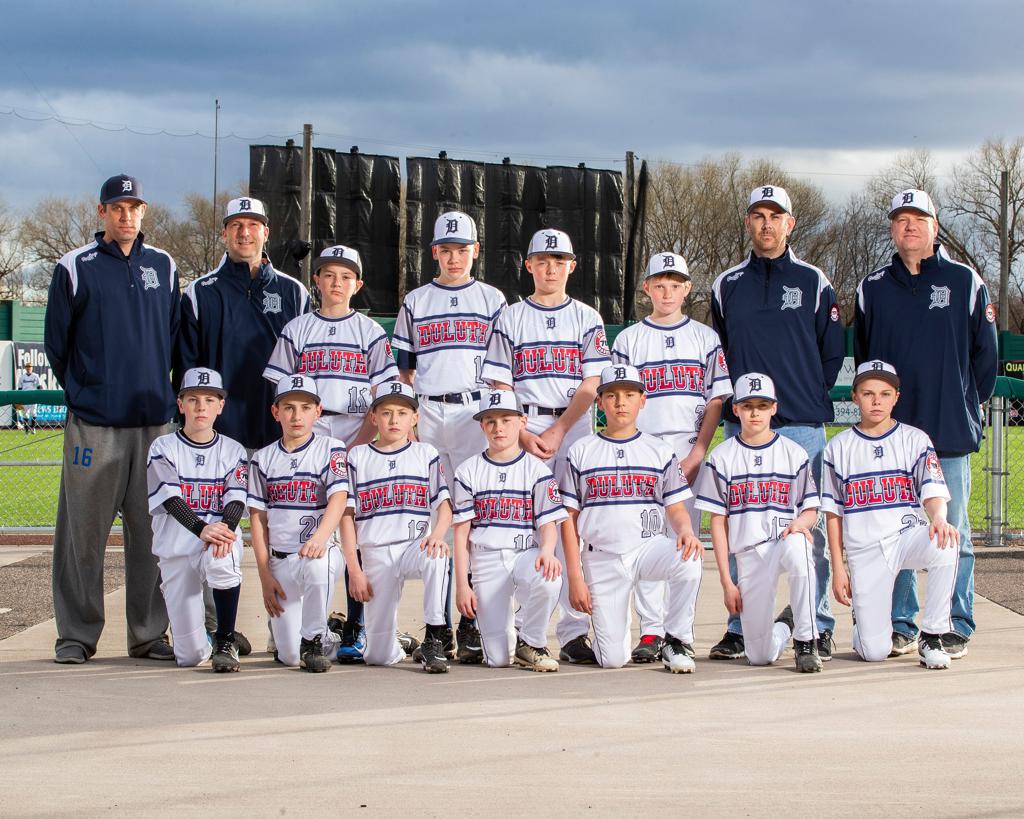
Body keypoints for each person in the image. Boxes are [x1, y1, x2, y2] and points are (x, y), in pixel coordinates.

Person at [854, 189, 998, 660]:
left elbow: (986, 358)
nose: (909, 226)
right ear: (892, 229)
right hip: (892, 437)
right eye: (900, 220)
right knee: (892, 530)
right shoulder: (872, 287)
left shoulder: (965, 281)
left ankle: (956, 621)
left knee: (951, 527)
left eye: (919, 218)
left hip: (948, 430)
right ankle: (902, 623)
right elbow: (867, 359)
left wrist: (963, 403)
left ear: (936, 226)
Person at [44, 173, 178, 664]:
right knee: (83, 534)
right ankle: (76, 634)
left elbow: (171, 336)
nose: (126, 216)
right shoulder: (74, 267)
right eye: (117, 208)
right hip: (95, 425)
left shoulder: (163, 265)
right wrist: (87, 392)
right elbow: (57, 347)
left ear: (143, 212)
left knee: (153, 536)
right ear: (101, 213)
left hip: (153, 425)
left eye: (134, 207)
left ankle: (147, 634)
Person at [709, 185, 845, 661]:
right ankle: (740, 626)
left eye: (775, 216)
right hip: (743, 428)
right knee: (744, 528)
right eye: (758, 215)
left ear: (790, 223)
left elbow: (832, 351)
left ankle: (818, 622)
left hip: (801, 425)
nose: (766, 224)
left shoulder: (812, 280)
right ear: (748, 222)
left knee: (810, 530)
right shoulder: (727, 284)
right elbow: (722, 352)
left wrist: (805, 393)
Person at [263, 244, 399, 661]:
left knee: (353, 524)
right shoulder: (298, 328)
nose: (336, 283)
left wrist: (361, 437)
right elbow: (281, 387)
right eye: (328, 275)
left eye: (345, 276)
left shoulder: (370, 331)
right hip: (309, 428)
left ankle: (356, 625)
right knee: (295, 520)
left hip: (355, 426)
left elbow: (384, 392)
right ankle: (295, 624)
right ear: (316, 281)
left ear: (357, 284)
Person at [481, 228, 611, 665]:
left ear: (572, 266)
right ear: (529, 265)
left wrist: (558, 429)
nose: (551, 267)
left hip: (571, 426)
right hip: (522, 420)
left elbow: (593, 384)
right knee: (524, 520)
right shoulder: (511, 317)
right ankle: (523, 626)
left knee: (575, 524)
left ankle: (573, 632)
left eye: (560, 260)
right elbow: (501, 383)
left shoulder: (588, 317)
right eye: (543, 259)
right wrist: (520, 431)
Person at [392, 211, 507, 664]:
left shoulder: (493, 298)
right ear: (434, 252)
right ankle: (437, 624)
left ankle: (472, 620)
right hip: (430, 409)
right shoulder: (416, 300)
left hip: (474, 410)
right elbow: (404, 366)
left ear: (475, 252)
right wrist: (411, 415)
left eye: (463, 249)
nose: (455, 257)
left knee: (474, 513)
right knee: (435, 514)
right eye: (447, 249)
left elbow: (502, 367)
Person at [612, 251, 731, 662]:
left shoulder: (705, 337)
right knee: (646, 536)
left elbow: (716, 399)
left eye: (675, 284)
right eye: (659, 284)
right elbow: (620, 400)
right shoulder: (629, 339)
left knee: (684, 542)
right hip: (643, 447)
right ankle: (650, 632)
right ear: (647, 288)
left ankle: (679, 631)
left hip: (687, 445)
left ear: (686, 288)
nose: (667, 291)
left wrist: (700, 449)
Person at [560, 365, 704, 673]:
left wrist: (686, 530)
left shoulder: (659, 450)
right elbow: (568, 519)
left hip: (647, 549)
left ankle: (676, 640)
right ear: (600, 403)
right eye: (612, 395)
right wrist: (575, 576)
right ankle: (606, 638)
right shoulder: (581, 450)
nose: (620, 403)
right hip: (602, 558)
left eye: (629, 395)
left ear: (643, 400)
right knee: (612, 660)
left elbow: (676, 507)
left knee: (688, 557)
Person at [821, 361, 959, 669]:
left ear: (896, 397)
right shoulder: (838, 447)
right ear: (854, 396)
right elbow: (833, 512)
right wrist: (839, 568)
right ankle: (864, 624)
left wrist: (938, 517)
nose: (876, 401)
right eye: (868, 393)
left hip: (906, 535)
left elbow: (933, 490)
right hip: (865, 548)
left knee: (946, 542)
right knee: (874, 651)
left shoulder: (915, 439)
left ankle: (932, 635)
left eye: (885, 394)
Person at [694, 373, 822, 672]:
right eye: (748, 405)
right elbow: (717, 522)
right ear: (736, 409)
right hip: (749, 554)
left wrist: (802, 523)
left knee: (801, 549)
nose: (755, 412)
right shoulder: (722, 457)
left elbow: (811, 508)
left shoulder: (794, 453)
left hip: (784, 541)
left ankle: (807, 641)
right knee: (760, 655)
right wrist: (728, 582)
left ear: (773, 408)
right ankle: (785, 626)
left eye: (762, 405)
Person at [177, 196, 310, 450]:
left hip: (278, 435)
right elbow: (187, 366)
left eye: (253, 224)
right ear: (224, 233)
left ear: (266, 233)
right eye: (236, 225)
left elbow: (305, 367)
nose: (245, 232)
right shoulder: (201, 292)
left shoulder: (294, 292)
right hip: (217, 436)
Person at [341, 382, 453, 673]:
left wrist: (438, 535)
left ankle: (434, 638)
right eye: (386, 412)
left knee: (438, 555)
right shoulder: (358, 456)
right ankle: (395, 641)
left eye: (402, 413)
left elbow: (444, 505)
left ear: (414, 419)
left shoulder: (425, 453)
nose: (394, 420)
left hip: (414, 547)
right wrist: (354, 569)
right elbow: (345, 516)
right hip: (375, 551)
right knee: (377, 656)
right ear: (373, 417)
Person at [452, 390, 566, 671]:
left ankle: (531, 642)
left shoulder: (537, 470)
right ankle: (507, 628)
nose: (498, 427)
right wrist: (462, 585)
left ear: (522, 422)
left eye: (506, 419)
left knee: (549, 576)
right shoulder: (468, 470)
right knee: (498, 660)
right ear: (481, 426)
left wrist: (548, 551)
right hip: (486, 559)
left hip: (524, 553)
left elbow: (548, 524)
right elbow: (461, 533)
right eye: (490, 421)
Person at [146, 368, 248, 672]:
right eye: (193, 399)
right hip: (177, 547)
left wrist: (222, 531)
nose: (201, 407)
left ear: (221, 406)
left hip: (216, 541)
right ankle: (208, 636)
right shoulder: (162, 447)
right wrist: (203, 528)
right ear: (181, 405)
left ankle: (226, 641)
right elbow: (171, 499)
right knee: (189, 657)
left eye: (209, 399)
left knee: (223, 556)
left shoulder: (233, 450)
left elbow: (236, 500)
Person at [247, 374, 348, 671]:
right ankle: (332, 633)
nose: (297, 415)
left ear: (318, 411)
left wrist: (320, 537)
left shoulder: (331, 447)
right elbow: (258, 519)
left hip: (318, 551)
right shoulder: (262, 459)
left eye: (305, 407)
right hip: (280, 561)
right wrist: (265, 576)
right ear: (275, 412)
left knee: (318, 565)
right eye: (288, 407)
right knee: (289, 657)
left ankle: (315, 638)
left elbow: (339, 499)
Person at [16, 361, 42, 434]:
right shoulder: (22, 377)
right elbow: (20, 388)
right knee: (25, 414)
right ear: (25, 368)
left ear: (32, 368)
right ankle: (26, 429)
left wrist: (41, 392)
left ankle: (33, 428)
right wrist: (19, 398)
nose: (29, 368)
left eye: (30, 367)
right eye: (27, 367)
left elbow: (39, 386)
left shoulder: (35, 376)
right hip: (25, 396)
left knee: (33, 413)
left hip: (33, 396)